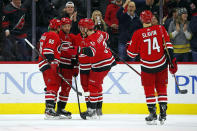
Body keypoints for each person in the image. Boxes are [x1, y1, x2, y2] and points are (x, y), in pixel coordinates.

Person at [127, 10, 178, 125]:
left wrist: (129, 46)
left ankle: (153, 113)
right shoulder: (160, 29)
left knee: (149, 89)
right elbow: (168, 47)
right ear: (152, 19)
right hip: (161, 64)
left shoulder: (138, 33)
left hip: (147, 66)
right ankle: (163, 112)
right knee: (161, 87)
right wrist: (172, 61)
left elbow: (131, 54)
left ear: (141, 19)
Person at [67, 18, 116, 119]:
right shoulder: (98, 33)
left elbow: (91, 52)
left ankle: (93, 111)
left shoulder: (91, 38)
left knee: (93, 85)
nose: (81, 29)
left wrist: (78, 49)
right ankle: (94, 109)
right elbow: (107, 36)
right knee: (93, 85)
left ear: (86, 28)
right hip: (105, 61)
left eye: (82, 27)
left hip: (100, 64)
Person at [38, 19, 62, 119]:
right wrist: (53, 63)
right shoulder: (53, 35)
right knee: (52, 85)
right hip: (49, 64)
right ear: (58, 28)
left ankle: (51, 108)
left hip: (46, 63)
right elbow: (48, 51)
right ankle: (49, 110)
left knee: (53, 85)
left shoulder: (45, 34)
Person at [57, 17, 79, 119]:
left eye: (68, 26)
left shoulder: (72, 37)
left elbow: (75, 54)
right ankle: (51, 108)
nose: (67, 28)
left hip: (68, 67)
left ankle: (61, 108)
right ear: (61, 26)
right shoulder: (57, 36)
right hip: (58, 65)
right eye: (65, 26)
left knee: (66, 88)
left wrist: (75, 66)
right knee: (54, 87)